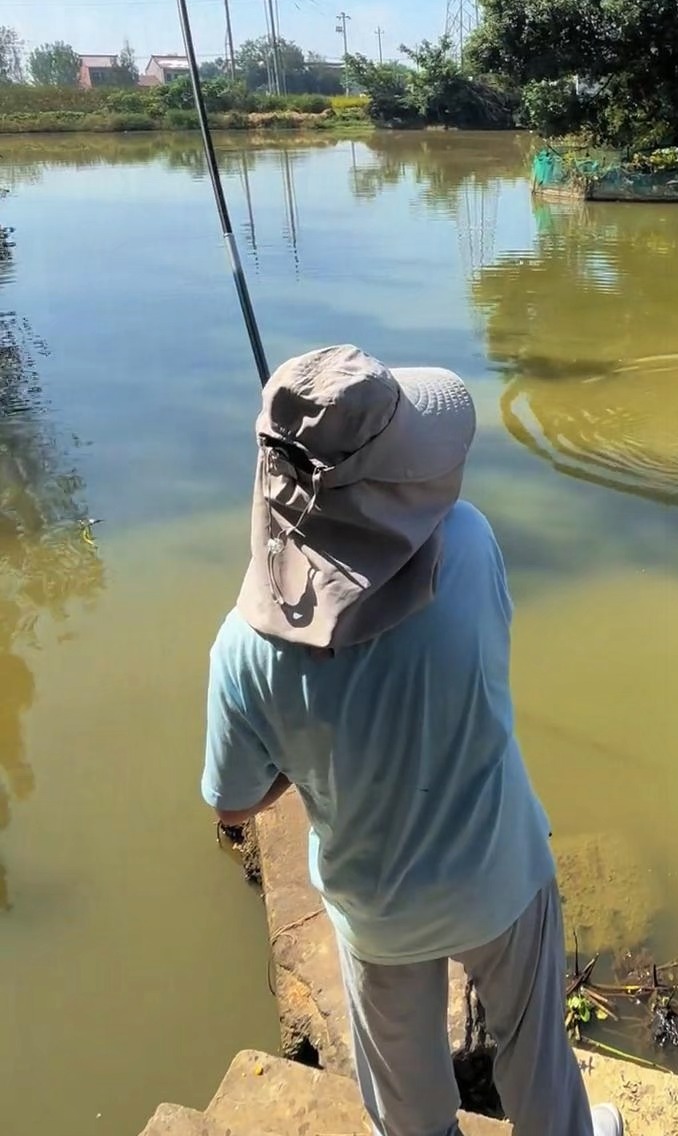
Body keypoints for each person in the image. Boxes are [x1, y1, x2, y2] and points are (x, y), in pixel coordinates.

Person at [201, 345, 623, 1136]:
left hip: (376, 905)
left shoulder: (241, 649)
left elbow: (234, 803)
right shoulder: (469, 543)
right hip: (499, 869)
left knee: (402, 1089)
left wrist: (299, 747)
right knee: (536, 1052)